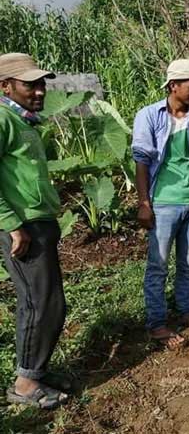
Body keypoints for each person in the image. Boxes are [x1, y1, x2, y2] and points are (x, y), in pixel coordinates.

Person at [0, 53, 70, 409]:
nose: (40, 90)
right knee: (38, 303)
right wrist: (11, 225)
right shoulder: (1, 119)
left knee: (53, 303)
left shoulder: (23, 121)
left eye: (41, 83)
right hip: (21, 225)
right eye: (31, 84)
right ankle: (25, 384)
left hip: (38, 221)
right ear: (5, 86)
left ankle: (36, 372)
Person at [132, 59, 189, 350]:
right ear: (173, 86)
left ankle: (184, 309)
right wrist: (144, 203)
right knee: (158, 265)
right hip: (164, 202)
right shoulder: (149, 116)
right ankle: (156, 323)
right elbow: (142, 161)